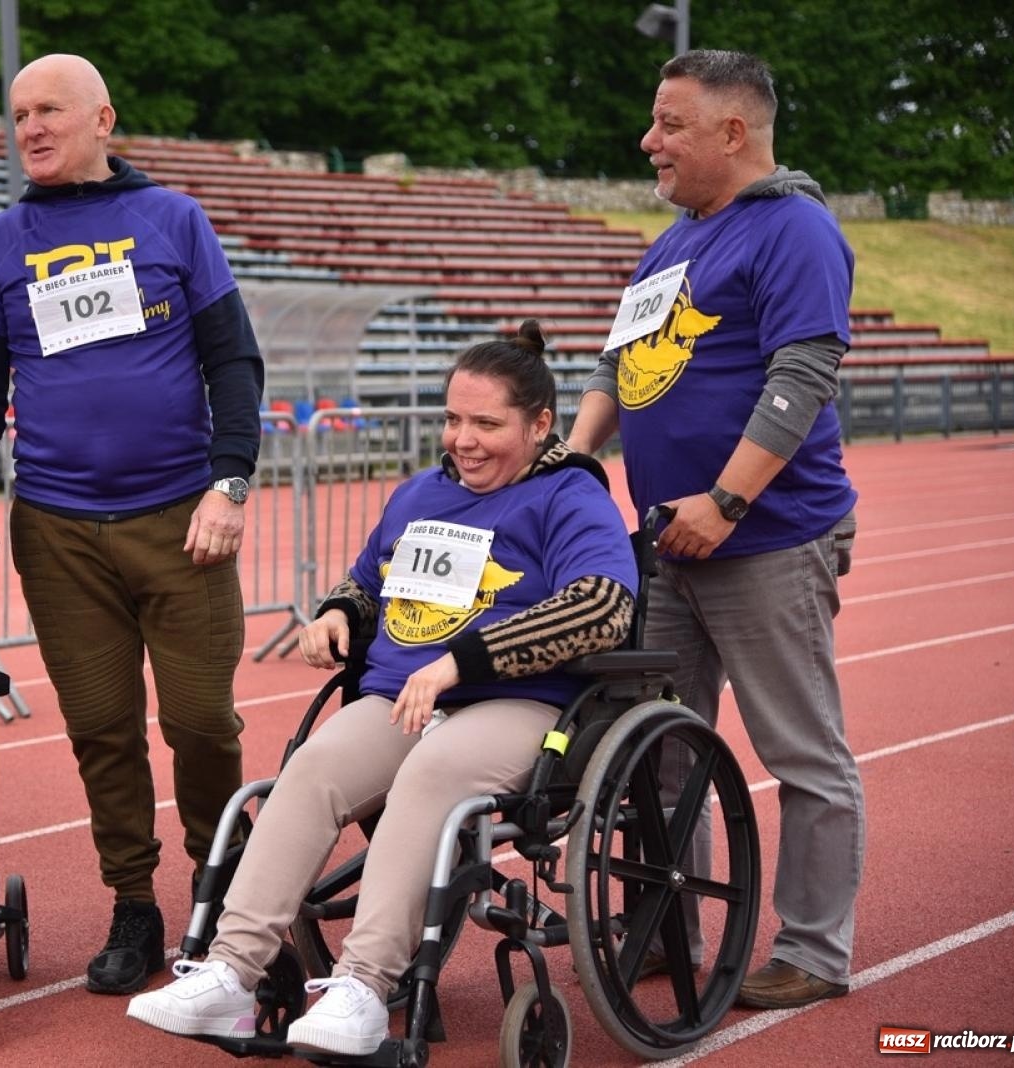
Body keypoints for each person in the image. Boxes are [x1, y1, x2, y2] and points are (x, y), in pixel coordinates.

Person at [127, 327, 639, 1057]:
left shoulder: (569, 495)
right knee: (312, 767)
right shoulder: (420, 494)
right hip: (405, 698)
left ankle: (363, 988)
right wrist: (337, 611)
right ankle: (228, 973)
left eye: (487, 425)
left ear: (540, 425)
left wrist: (465, 659)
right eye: (453, 420)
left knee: (430, 775)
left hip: (519, 703)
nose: (463, 440)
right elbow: (368, 582)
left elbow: (602, 607)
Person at [0, 54, 264, 994]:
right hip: (59, 531)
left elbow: (232, 362)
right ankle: (134, 901)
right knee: (102, 731)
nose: (30, 127)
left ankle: (221, 878)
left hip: (181, 519)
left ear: (103, 119)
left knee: (202, 720)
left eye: (49, 111)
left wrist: (229, 484)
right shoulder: (1, 241)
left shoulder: (173, 219)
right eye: (18, 114)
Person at [565, 49, 866, 1010]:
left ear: (733, 132)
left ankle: (816, 951)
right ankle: (666, 924)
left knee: (802, 755)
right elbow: (619, 366)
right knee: (656, 751)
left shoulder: (796, 230)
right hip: (664, 544)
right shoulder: (672, 241)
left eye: (671, 124)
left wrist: (726, 500)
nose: (649, 141)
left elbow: (802, 377)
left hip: (764, 541)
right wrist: (572, 461)